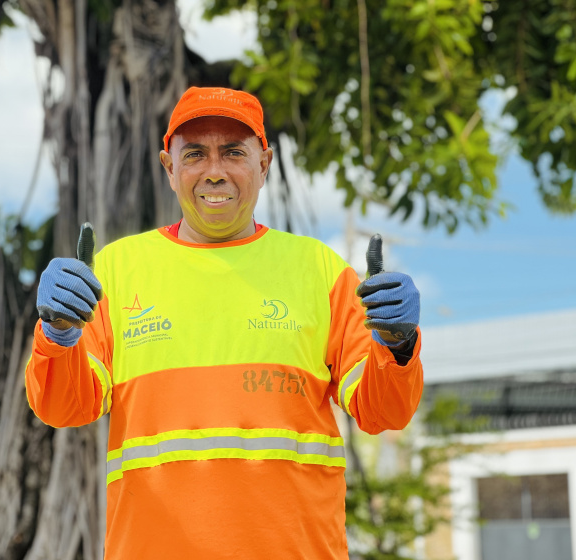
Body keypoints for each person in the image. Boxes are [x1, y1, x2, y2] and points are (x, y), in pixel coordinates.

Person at [25, 87, 424, 559]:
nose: (215, 172)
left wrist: (398, 345)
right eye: (194, 154)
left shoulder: (320, 270)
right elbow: (62, 408)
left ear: (264, 164)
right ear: (169, 168)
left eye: (234, 152)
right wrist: (59, 335)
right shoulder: (115, 271)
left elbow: (384, 411)